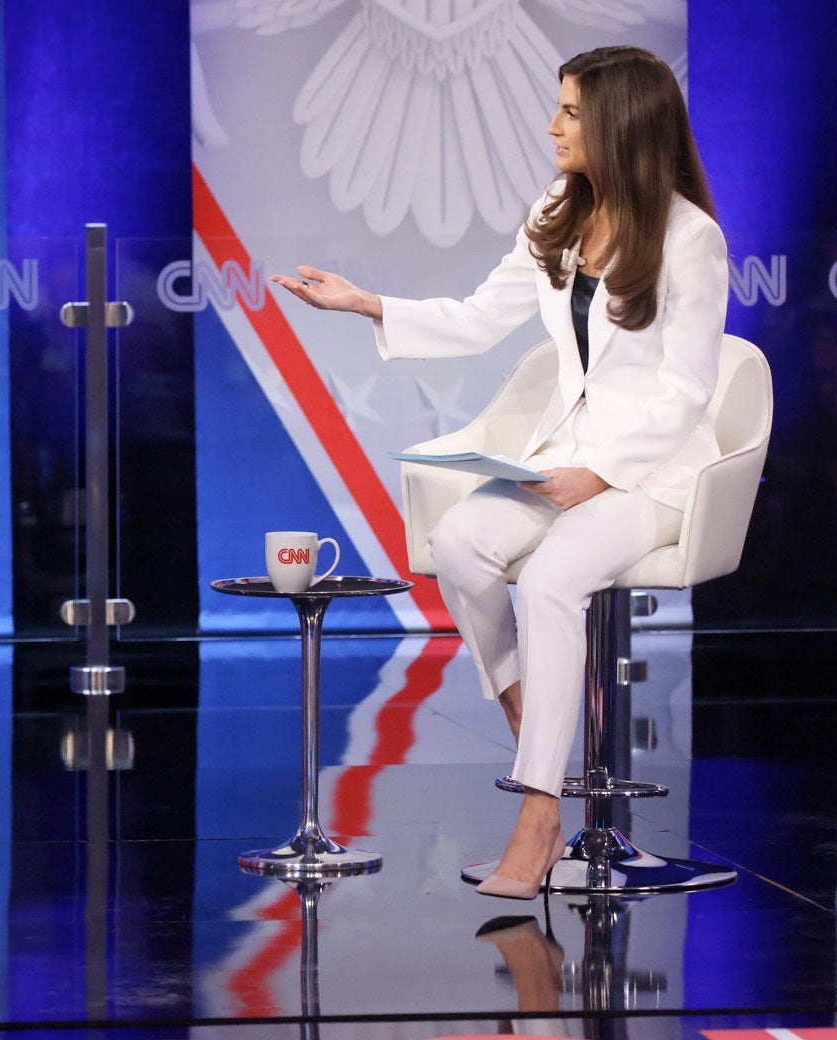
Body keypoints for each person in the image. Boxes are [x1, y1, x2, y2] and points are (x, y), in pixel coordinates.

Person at [272, 45, 728, 899]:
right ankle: (532, 726)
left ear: (621, 124)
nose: (552, 126)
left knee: (553, 578)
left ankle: (538, 812)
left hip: (654, 474)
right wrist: (368, 302)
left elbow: (688, 393)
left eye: (571, 112)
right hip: (568, 459)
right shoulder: (560, 207)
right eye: (557, 108)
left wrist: (600, 471)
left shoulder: (690, 238)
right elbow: (480, 318)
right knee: (462, 538)